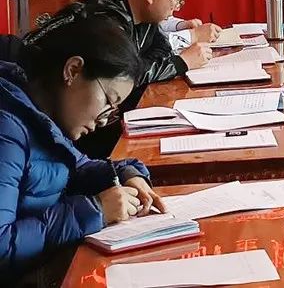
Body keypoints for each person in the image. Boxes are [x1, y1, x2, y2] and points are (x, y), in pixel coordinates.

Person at [0, 15, 163, 281]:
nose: (104, 119)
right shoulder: (7, 128)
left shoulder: (41, 117)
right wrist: (95, 210)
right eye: (108, 101)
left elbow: (81, 167)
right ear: (73, 70)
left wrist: (126, 174)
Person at [24, 0, 212, 158]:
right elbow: (128, 74)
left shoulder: (139, 8)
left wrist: (156, 63)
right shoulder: (105, 20)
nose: (176, 8)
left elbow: (160, 50)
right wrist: (180, 63)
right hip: (62, 126)